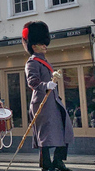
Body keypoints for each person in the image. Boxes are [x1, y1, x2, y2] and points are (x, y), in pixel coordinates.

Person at [22, 21, 74, 171]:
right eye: (42, 43)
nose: (45, 46)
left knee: (65, 131)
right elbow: (32, 82)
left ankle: (58, 160)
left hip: (53, 101)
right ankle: (46, 165)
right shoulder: (31, 63)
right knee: (45, 136)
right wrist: (46, 85)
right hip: (42, 103)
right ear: (34, 45)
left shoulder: (44, 60)